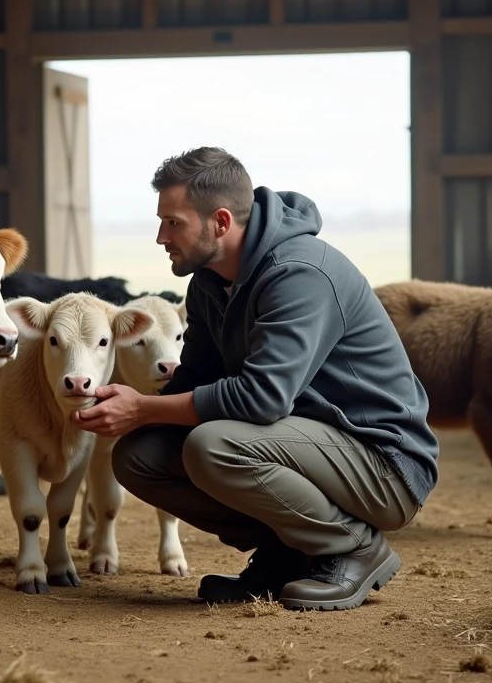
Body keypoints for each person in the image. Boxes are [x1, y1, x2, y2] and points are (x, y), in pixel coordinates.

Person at [72, 147, 440, 611]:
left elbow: (262, 399)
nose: (161, 236)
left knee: (214, 445)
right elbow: (197, 380)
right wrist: (114, 407)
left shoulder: (300, 274)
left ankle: (353, 547)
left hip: (381, 463)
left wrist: (142, 408)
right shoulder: (208, 280)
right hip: (298, 447)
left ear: (221, 223)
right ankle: (289, 552)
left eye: (173, 222)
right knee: (139, 455)